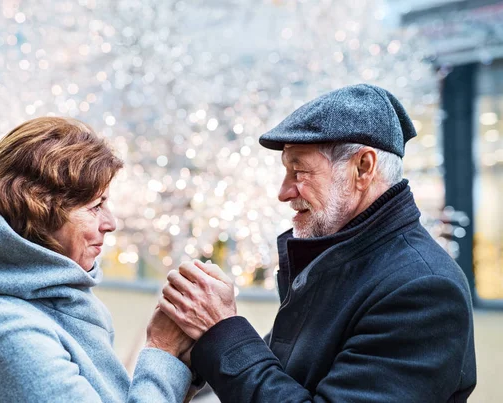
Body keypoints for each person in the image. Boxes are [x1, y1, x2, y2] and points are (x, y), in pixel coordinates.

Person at [159, 84, 477, 402]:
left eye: (298, 171)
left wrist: (222, 331)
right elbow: (278, 379)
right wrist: (201, 348)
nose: (283, 192)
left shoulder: (423, 289)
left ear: (362, 168)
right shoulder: (334, 264)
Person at [0, 117, 195, 402]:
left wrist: (181, 362)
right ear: (41, 210)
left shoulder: (53, 306)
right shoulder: (6, 330)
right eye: (96, 207)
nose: (111, 223)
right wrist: (163, 349)